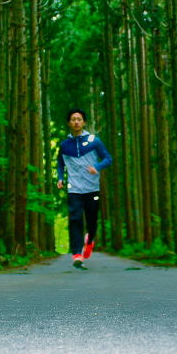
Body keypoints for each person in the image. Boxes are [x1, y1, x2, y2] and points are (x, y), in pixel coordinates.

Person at [57, 108, 112, 270]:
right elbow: (60, 163)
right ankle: (77, 254)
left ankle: (90, 240)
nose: (76, 122)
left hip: (92, 188)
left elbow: (108, 159)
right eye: (73, 119)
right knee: (75, 219)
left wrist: (97, 167)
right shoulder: (64, 145)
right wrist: (60, 178)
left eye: (79, 119)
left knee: (92, 220)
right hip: (74, 189)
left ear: (84, 122)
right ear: (69, 123)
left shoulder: (94, 141)